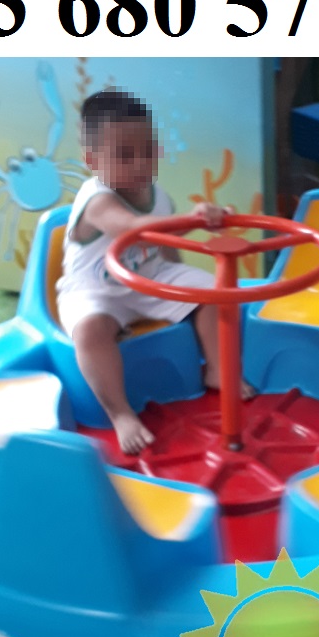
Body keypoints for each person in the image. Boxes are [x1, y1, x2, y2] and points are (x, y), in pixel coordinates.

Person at [58, 88, 254, 454]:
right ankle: (120, 413)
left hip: (149, 276)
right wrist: (194, 219)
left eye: (148, 151)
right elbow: (133, 228)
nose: (140, 164)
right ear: (92, 160)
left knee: (213, 291)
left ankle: (217, 370)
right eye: (124, 155)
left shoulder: (158, 195)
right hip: (95, 289)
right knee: (89, 332)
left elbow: (165, 245)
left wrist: (183, 296)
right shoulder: (96, 199)